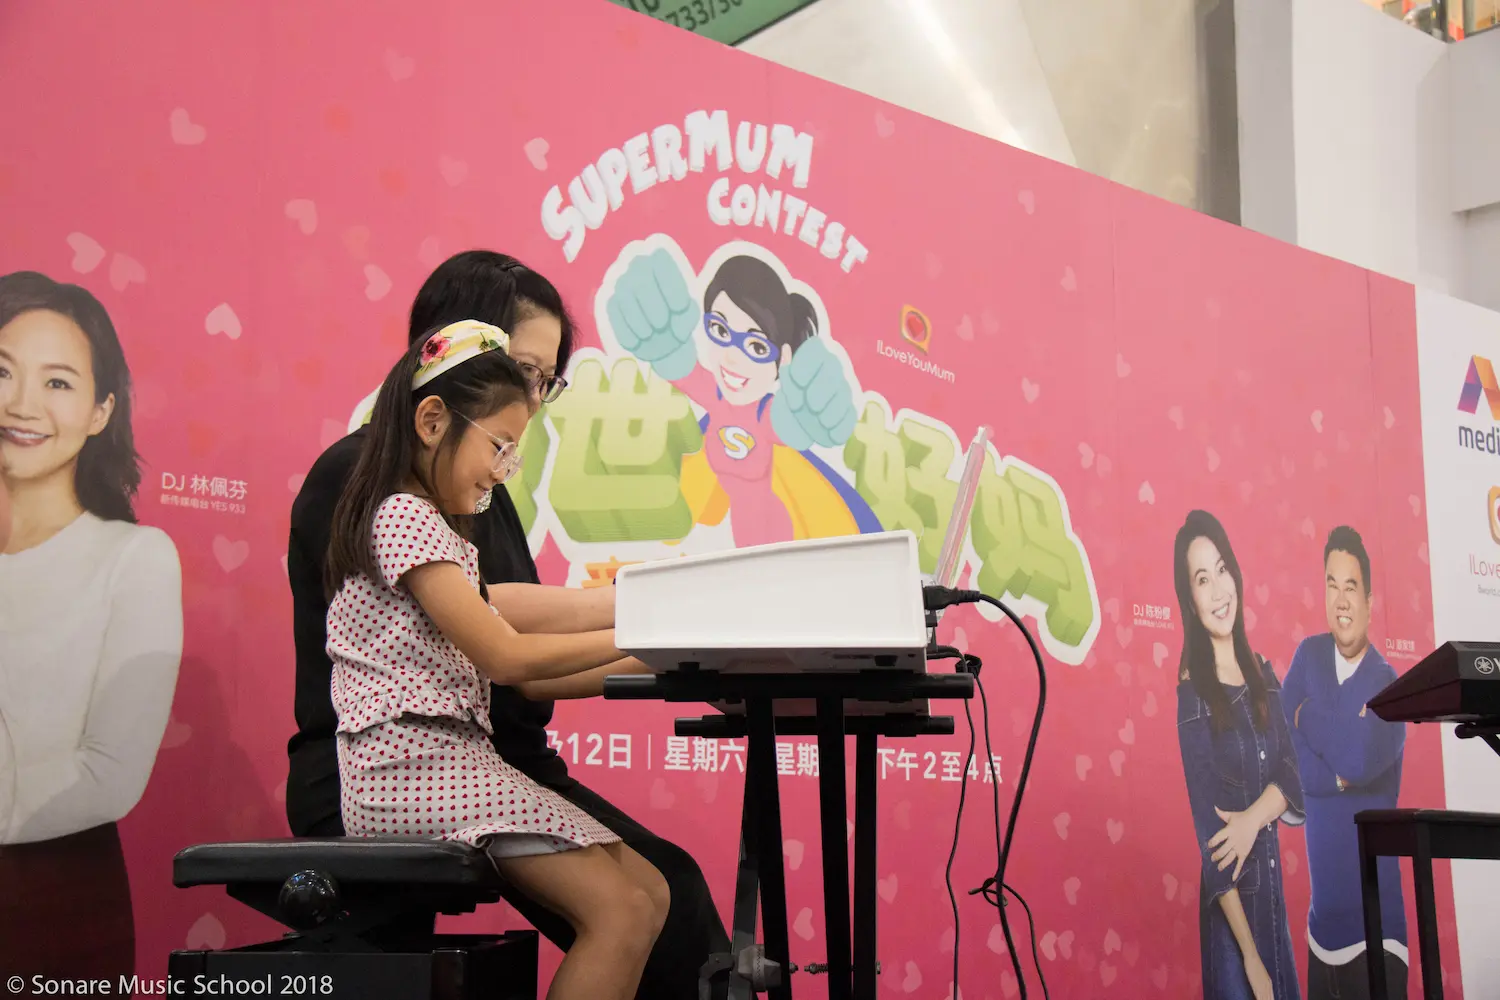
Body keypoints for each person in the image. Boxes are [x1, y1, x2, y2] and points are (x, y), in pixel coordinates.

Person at [286, 250, 730, 998]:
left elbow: (507, 606)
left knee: (655, 890)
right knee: (629, 907)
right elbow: (509, 652)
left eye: (542, 381)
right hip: (409, 763)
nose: (507, 459)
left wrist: (659, 618)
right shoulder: (387, 495)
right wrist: (653, 636)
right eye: (521, 374)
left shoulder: (446, 502)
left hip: (471, 755)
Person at [0, 271, 184, 979]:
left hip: (54, 901)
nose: (21, 404)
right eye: (3, 371)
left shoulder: (134, 559)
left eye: (57, 382)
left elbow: (110, 772)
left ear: (101, 410)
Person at [606, 247, 858, 547]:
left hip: (769, 527)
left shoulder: (763, 414)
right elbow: (682, 369)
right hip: (736, 521)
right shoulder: (715, 395)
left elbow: (790, 425)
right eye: (720, 330)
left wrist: (812, 412)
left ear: (784, 358)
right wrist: (663, 343)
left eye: (757, 347)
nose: (732, 356)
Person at [1173, 510, 1305, 1000]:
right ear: (1191, 601)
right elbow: (1212, 841)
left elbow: (1293, 771)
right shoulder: (1194, 694)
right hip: (1233, 926)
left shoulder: (1262, 674)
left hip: (1272, 901)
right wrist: (1249, 957)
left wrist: (1250, 821)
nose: (1218, 590)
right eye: (1202, 579)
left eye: (1222, 570)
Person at [1283, 527, 1408, 999]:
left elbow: (1357, 759)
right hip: (1321, 937)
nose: (1341, 600)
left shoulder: (1387, 685)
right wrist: (1332, 778)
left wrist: (1306, 714)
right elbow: (1282, 747)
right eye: (1331, 585)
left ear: (1369, 601)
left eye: (1351, 587)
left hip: (1377, 937)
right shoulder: (1309, 655)